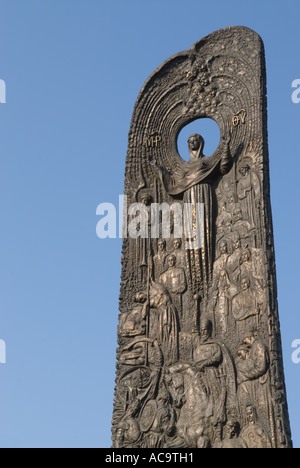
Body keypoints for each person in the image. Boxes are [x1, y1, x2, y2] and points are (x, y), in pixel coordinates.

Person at [152, 133, 232, 298]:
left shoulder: (206, 162)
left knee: (206, 232)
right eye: (189, 141)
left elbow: (223, 167)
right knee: (191, 235)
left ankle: (208, 274)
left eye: (195, 140)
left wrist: (226, 148)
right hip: (189, 198)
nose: (192, 142)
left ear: (201, 142)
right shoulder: (184, 169)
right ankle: (195, 277)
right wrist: (158, 169)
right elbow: (173, 185)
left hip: (205, 196)